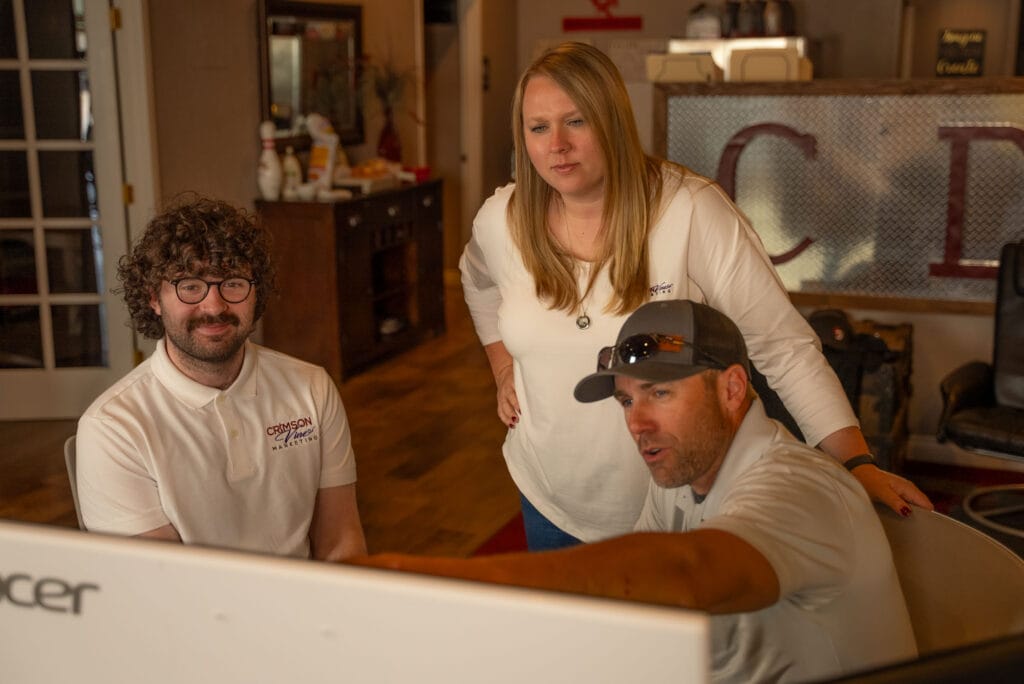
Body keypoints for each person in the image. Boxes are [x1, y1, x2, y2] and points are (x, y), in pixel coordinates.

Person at [460, 41, 930, 550]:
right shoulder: (502, 221)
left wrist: (854, 461)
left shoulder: (689, 211)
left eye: (576, 121)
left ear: (613, 121)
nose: (557, 145)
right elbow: (476, 280)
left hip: (681, 503)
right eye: (538, 127)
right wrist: (502, 364)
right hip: (551, 499)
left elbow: (782, 345)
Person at [353, 300, 919, 682]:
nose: (636, 423)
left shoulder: (799, 485)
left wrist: (418, 585)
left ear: (733, 387)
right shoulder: (681, 473)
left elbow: (685, 573)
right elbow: (640, 620)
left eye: (661, 394)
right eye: (627, 400)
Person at [76, 195, 367, 561]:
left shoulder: (312, 387)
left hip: (304, 612)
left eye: (231, 282)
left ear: (255, 290)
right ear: (154, 297)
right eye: (190, 285)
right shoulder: (113, 428)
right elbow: (160, 589)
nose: (214, 307)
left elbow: (341, 542)